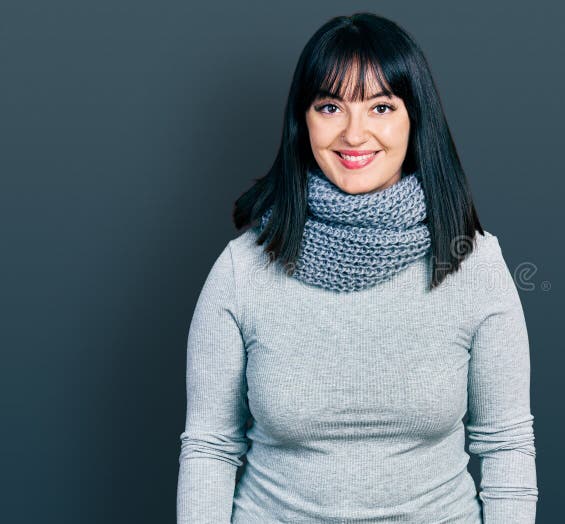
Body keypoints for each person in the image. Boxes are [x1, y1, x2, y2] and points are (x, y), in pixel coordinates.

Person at [176, 12, 539, 523]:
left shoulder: (472, 264)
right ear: (304, 121)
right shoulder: (242, 270)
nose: (354, 133)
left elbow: (506, 447)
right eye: (330, 106)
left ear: (415, 120)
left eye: (381, 106)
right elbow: (210, 448)